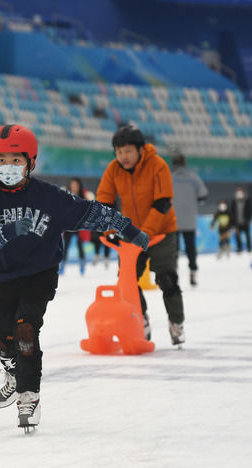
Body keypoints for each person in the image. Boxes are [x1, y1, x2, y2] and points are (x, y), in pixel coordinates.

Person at [0, 124, 149, 431]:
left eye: (16, 160)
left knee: (26, 330)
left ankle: (29, 395)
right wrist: (8, 231)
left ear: (31, 162)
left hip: (40, 274)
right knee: (2, 339)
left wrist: (128, 228)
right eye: (1, 160)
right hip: (2, 276)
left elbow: (93, 212)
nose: (8, 167)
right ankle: (11, 371)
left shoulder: (49, 197)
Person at [96, 124, 185, 347]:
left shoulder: (158, 165)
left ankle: (176, 322)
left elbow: (163, 202)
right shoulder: (113, 170)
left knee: (166, 279)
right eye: (118, 152)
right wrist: (109, 229)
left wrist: (145, 233)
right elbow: (105, 201)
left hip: (162, 231)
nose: (123, 157)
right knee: (126, 280)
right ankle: (141, 317)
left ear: (140, 149)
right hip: (131, 231)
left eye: (127, 151)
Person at [171, 151, 208, 286]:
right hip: (189, 220)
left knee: (173, 249)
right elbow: (203, 195)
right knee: (190, 248)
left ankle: (173, 274)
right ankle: (193, 271)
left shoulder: (169, 178)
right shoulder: (193, 178)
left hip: (172, 220)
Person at [60, 177, 92, 274]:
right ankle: (62, 266)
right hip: (69, 225)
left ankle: (82, 265)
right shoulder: (66, 194)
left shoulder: (84, 195)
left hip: (79, 226)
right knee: (66, 246)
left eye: (76, 185)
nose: (74, 187)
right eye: (72, 184)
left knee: (80, 246)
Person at [230, 186, 252, 253]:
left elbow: (250, 210)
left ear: (243, 192)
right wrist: (233, 222)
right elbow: (232, 212)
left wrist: (249, 220)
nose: (239, 193)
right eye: (238, 191)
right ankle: (239, 248)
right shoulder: (234, 200)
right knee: (237, 236)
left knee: (247, 235)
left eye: (240, 191)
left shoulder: (247, 200)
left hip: (245, 222)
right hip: (237, 222)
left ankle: (249, 248)